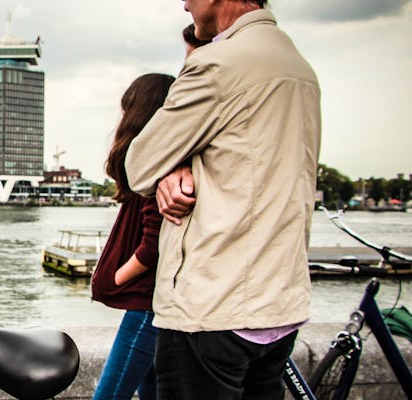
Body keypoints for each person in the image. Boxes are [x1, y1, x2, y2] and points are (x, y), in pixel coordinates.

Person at [124, 1, 321, 399]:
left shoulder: (218, 63)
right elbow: (251, 163)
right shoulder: (299, 67)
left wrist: (171, 166)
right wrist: (184, 166)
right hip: (278, 308)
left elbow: (140, 164)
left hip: (213, 308)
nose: (185, 5)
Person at [90, 73, 174, 400]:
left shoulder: (156, 166)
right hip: (156, 302)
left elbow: (153, 244)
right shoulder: (163, 162)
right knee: (153, 394)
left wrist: (115, 278)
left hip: (146, 305)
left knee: (108, 396)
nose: (121, 118)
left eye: (126, 110)